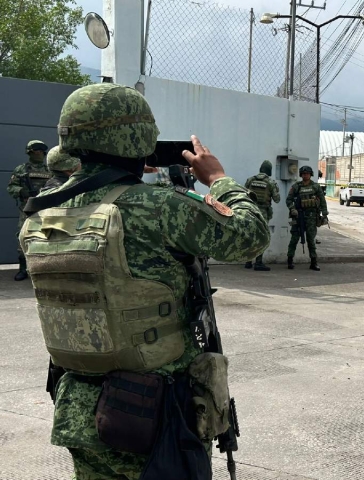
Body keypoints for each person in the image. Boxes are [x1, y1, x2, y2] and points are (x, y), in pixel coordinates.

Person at [18, 83, 270, 479]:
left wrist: (126, 174)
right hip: (156, 412)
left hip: (77, 407)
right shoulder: (160, 208)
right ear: (140, 139)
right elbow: (250, 236)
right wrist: (219, 178)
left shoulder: (40, 214)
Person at [6, 140, 51, 281]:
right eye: (35, 151)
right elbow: (11, 187)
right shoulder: (21, 170)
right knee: (23, 237)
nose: (39, 154)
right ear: (29, 152)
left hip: (46, 209)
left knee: (48, 237)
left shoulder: (50, 170)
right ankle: (23, 269)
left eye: (41, 152)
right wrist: (22, 191)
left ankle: (46, 268)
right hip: (27, 209)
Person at [286, 165, 328, 271]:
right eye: (304, 174)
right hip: (298, 216)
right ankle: (290, 260)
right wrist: (292, 209)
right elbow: (289, 200)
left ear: (311, 174)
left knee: (311, 240)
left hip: (311, 217)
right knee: (294, 239)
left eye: (307, 174)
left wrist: (324, 213)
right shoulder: (296, 186)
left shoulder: (315, 187)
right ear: (301, 175)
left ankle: (314, 262)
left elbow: (322, 200)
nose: (306, 175)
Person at [244, 160, 281, 271]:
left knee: (250, 236)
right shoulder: (270, 182)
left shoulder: (250, 180)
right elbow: (277, 199)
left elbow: (244, 193)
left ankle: (248, 261)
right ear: (269, 171)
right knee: (262, 236)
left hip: (251, 211)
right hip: (263, 213)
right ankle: (258, 263)